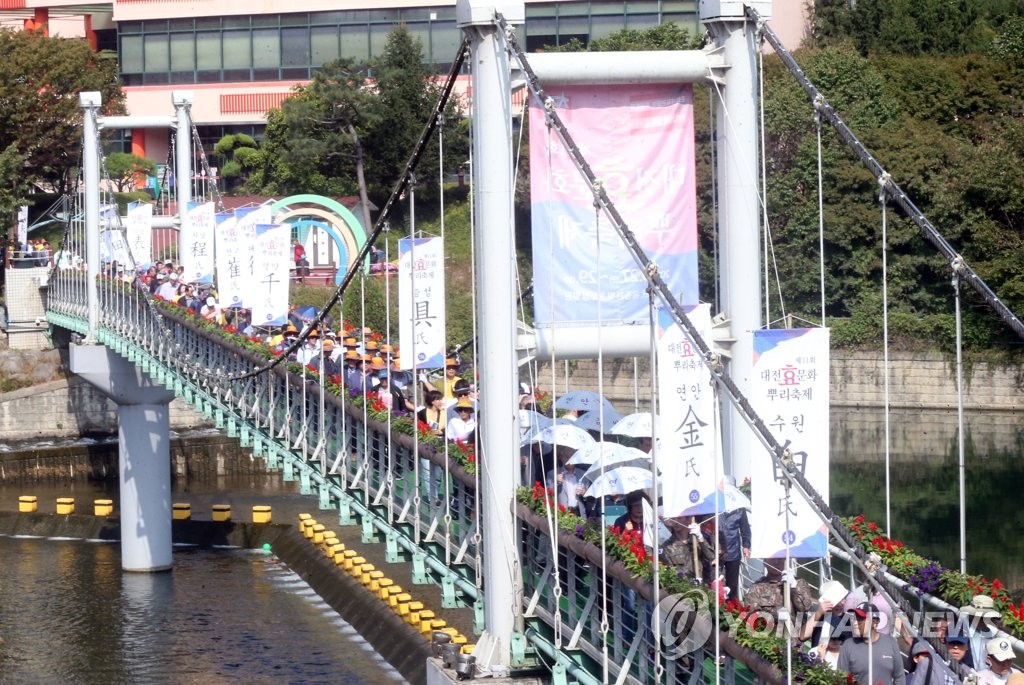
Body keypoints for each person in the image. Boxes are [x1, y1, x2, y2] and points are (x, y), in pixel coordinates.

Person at [837, 601, 906, 685]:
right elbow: (841, 680)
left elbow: (899, 678)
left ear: (875, 623)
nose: (854, 622)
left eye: (860, 619)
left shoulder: (891, 643)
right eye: (854, 618)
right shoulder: (847, 646)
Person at [744, 557, 814, 621]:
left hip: (797, 632)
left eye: (780, 559)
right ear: (765, 563)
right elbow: (751, 614)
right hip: (770, 632)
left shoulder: (799, 583)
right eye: (772, 559)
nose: (776, 562)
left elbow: (806, 608)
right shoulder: (757, 587)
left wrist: (793, 586)